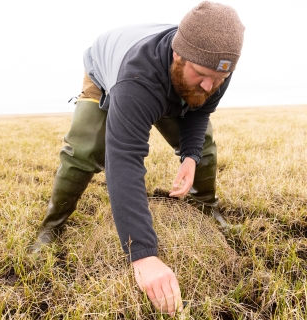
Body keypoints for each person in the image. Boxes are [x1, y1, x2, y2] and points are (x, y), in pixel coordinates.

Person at [30, 1, 244, 316]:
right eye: (201, 75)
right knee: (84, 151)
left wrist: (190, 156)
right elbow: (125, 160)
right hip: (106, 71)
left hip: (163, 80)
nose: (210, 85)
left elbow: (200, 112)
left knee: (204, 146)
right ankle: (51, 227)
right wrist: (143, 256)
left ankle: (206, 211)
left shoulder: (216, 67)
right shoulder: (136, 82)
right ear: (178, 55)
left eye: (219, 79)